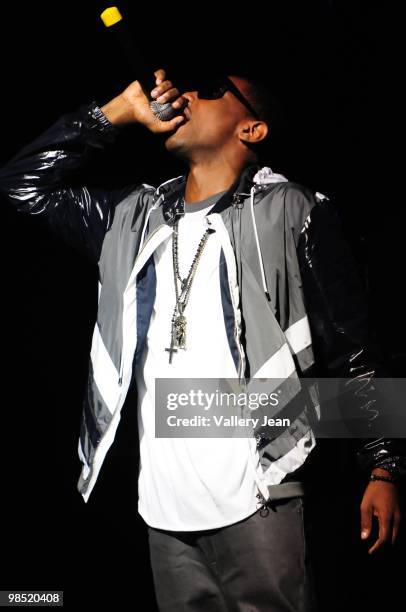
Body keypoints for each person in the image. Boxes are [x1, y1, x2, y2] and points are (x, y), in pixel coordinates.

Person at [1, 68, 405, 611]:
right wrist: (115, 112)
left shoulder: (293, 210)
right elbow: (23, 182)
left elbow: (354, 344)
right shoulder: (133, 218)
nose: (186, 95)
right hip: (162, 512)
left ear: (252, 130)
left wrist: (383, 466)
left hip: (263, 493)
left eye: (212, 91)